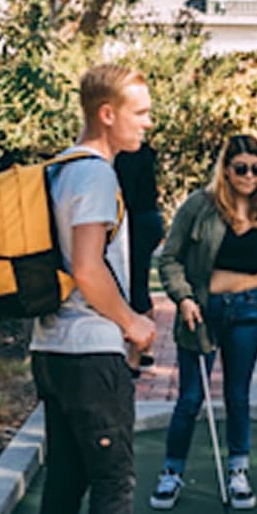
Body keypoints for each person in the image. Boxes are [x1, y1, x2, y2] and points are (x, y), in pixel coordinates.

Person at [30, 64, 199, 514]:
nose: (148, 122)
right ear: (107, 113)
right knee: (113, 480)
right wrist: (133, 324)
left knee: (65, 480)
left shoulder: (57, 169)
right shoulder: (97, 176)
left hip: (51, 348)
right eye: (141, 111)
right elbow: (86, 267)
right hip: (89, 352)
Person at [152, 134, 257, 512]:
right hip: (203, 310)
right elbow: (169, 259)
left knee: (238, 394)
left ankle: (238, 472)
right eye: (241, 169)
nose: (249, 176)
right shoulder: (200, 206)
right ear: (226, 170)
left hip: (253, 309)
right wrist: (183, 297)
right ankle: (171, 472)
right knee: (190, 398)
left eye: (256, 168)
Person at [114, 140, 163, 375]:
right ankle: (146, 350)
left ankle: (135, 355)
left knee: (135, 285)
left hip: (137, 223)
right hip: (148, 218)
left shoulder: (127, 153)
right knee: (140, 282)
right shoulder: (140, 151)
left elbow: (126, 194)